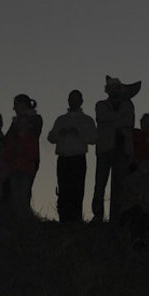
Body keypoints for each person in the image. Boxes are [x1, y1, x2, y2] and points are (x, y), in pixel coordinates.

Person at [93, 76, 139, 222]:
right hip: (105, 149)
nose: (114, 90)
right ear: (107, 90)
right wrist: (119, 119)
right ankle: (98, 215)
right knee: (100, 184)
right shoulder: (101, 104)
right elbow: (101, 117)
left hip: (122, 149)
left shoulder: (128, 105)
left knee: (119, 185)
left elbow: (129, 121)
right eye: (111, 88)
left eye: (117, 87)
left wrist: (112, 119)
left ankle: (116, 217)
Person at [47, 90, 97, 223]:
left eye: (76, 98)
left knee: (77, 189)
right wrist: (60, 133)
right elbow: (51, 137)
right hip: (63, 158)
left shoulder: (87, 120)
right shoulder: (61, 119)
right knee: (63, 189)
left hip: (78, 159)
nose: (73, 101)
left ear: (81, 101)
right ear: (68, 100)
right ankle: (63, 219)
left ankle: (75, 220)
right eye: (71, 98)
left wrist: (79, 133)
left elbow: (94, 138)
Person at [4, 95, 43, 220]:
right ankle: (20, 219)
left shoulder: (35, 119)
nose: (14, 108)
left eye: (16, 104)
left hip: (28, 161)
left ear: (23, 104)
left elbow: (33, 134)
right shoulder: (16, 122)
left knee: (23, 193)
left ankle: (25, 220)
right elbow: (7, 139)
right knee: (16, 194)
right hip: (16, 162)